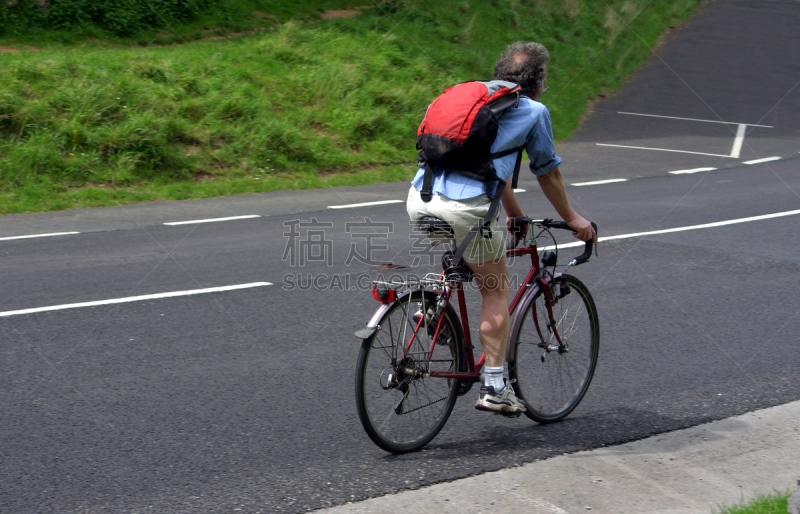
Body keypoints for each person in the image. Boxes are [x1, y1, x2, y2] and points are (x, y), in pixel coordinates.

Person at [406, 41, 596, 417]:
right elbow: (549, 173)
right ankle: (494, 386)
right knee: (495, 291)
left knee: (465, 250)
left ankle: (434, 308)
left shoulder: (473, 101)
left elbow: (495, 167)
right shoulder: (532, 111)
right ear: (538, 82)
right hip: (470, 209)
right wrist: (574, 219)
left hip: (420, 199)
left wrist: (514, 212)